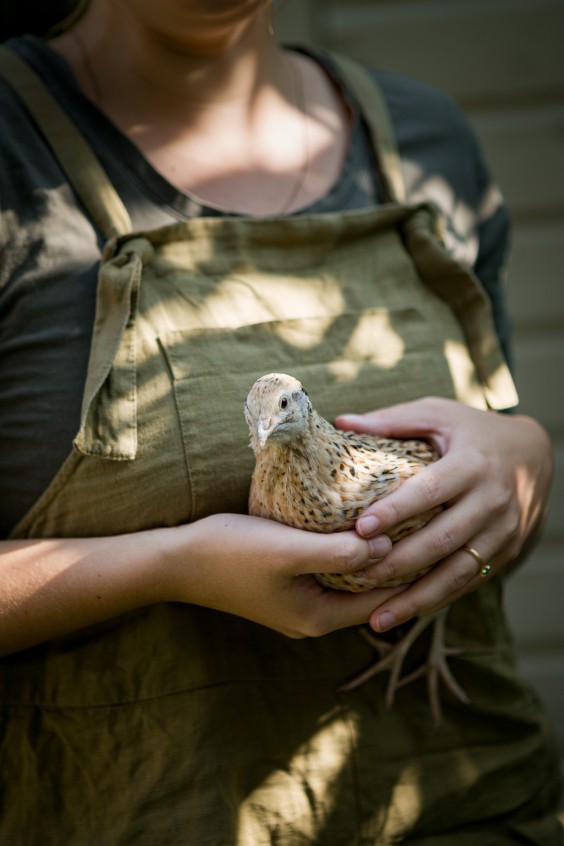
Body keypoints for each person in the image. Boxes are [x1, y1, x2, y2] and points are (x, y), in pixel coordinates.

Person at [0, 0, 561, 842]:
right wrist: (171, 566)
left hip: (475, 811)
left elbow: (472, 516)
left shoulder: (424, 141)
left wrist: (525, 461)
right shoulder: (13, 153)